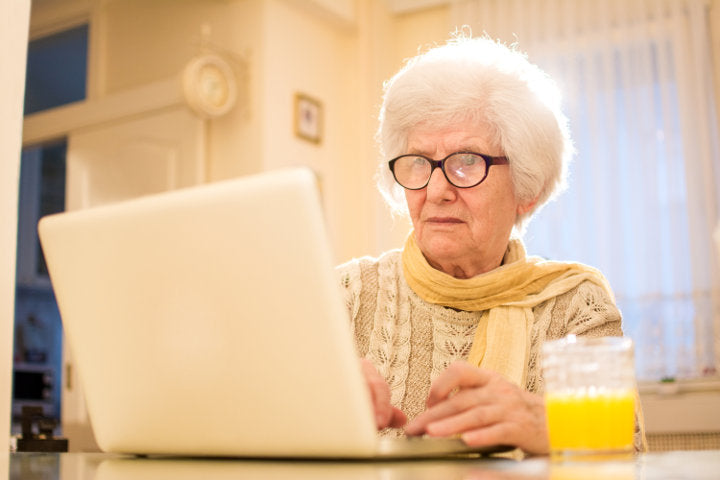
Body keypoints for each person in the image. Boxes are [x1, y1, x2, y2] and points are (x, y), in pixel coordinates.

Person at [336, 34, 631, 456]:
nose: (436, 189)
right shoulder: (343, 295)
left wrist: (550, 431)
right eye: (419, 161)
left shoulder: (576, 306)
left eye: (467, 161)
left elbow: (625, 457)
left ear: (525, 189)